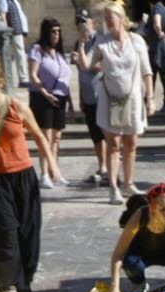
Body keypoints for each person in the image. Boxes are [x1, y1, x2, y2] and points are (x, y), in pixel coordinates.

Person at [0, 47, 58, 292]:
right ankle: (7, 286)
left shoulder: (17, 107)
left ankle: (24, 283)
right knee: (4, 235)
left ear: (1, 83)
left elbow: (40, 136)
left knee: (29, 234)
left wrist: (51, 165)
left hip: (24, 178)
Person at [81, 5, 154, 205]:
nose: (108, 21)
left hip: (134, 99)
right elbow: (87, 65)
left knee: (131, 143)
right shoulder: (102, 43)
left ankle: (128, 183)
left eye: (110, 17)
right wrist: (82, 44)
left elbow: (147, 72)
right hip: (110, 99)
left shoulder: (137, 41)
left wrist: (151, 98)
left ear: (122, 18)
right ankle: (113, 187)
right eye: (105, 18)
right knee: (114, 145)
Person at [28, 18, 73, 185]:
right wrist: (46, 93)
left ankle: (55, 172)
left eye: (59, 31)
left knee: (56, 138)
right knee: (45, 137)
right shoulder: (37, 50)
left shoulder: (60, 54)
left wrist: (71, 104)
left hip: (60, 98)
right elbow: (33, 75)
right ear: (46, 32)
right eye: (53, 31)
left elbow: (65, 80)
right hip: (43, 98)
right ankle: (44, 174)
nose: (57, 35)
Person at [73, 8, 110, 186]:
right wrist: (80, 97)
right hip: (87, 95)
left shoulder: (100, 41)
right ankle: (102, 167)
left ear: (92, 23)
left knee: (105, 134)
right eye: (79, 22)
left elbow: (104, 66)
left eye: (84, 22)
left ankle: (110, 168)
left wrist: (86, 62)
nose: (82, 26)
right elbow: (80, 72)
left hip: (101, 94)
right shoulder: (78, 43)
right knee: (95, 135)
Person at [142, 0, 165, 112]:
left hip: (157, 50)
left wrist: (159, 31)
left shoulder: (157, 9)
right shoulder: (162, 8)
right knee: (164, 77)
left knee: (152, 77)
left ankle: (149, 102)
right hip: (159, 49)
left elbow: (157, 23)